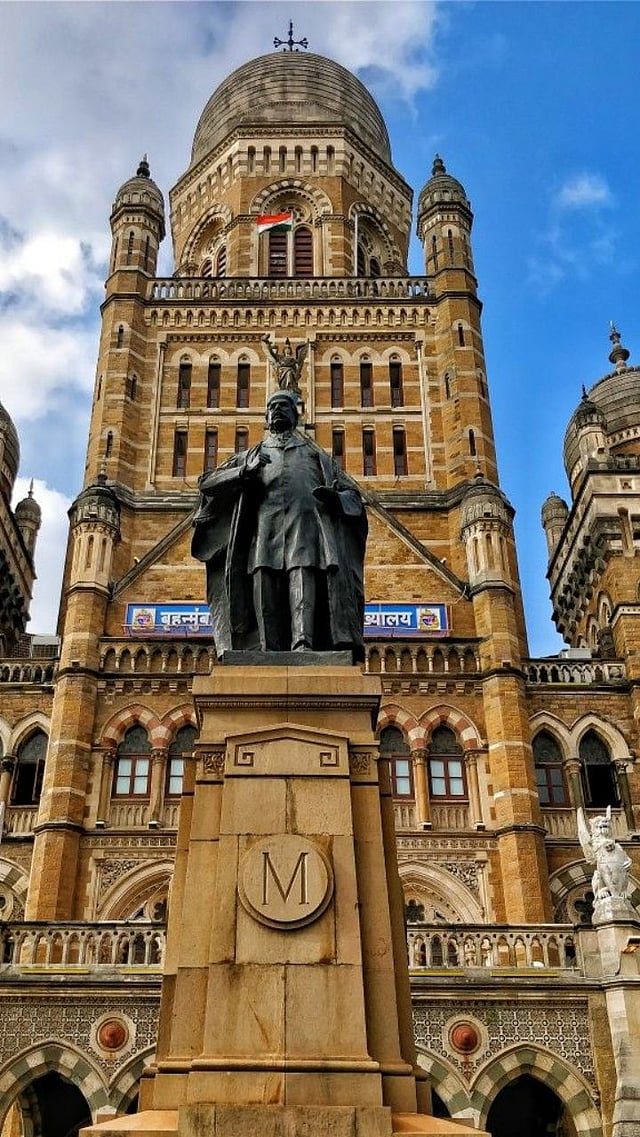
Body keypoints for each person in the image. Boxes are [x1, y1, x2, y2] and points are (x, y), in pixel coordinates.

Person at [192, 390, 367, 659]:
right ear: (266, 417)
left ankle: (303, 644)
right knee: (263, 580)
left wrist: (336, 498)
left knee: (303, 578)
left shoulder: (317, 456)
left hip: (306, 529)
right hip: (263, 530)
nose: (278, 410)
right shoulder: (251, 456)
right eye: (273, 407)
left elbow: (353, 495)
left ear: (296, 416)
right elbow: (206, 483)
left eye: (284, 406)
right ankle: (267, 649)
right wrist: (242, 472)